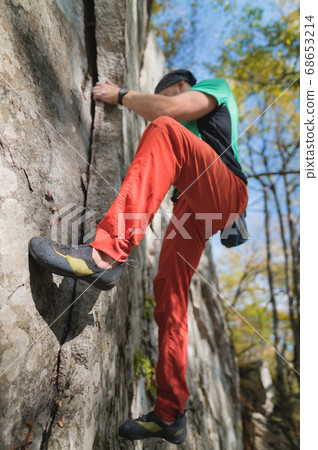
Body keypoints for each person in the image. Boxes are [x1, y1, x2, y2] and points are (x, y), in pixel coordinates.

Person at [29, 69, 248, 444]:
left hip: (223, 190)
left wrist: (122, 95)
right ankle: (171, 412)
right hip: (192, 205)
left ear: (181, 85)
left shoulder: (212, 88)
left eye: (164, 92)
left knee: (163, 126)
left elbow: (168, 110)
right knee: (169, 297)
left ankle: (106, 254)